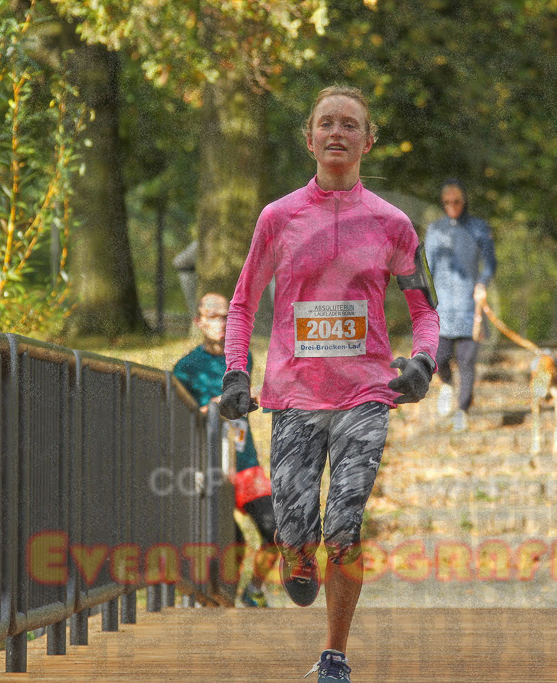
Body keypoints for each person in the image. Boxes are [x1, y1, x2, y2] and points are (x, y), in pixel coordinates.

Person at [220, 85, 439, 682]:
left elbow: (425, 312)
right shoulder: (278, 218)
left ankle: (334, 656)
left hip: (366, 393)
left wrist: (424, 362)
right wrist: (236, 370)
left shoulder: (394, 225)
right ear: (310, 138)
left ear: (368, 141)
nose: (337, 133)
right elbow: (240, 306)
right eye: (326, 124)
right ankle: (296, 551)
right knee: (296, 527)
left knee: (344, 522)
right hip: (294, 394)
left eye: (350, 125)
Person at [172, 292, 278, 608]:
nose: (221, 323)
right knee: (232, 543)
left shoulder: (243, 357)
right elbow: (179, 418)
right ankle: (222, 603)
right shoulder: (186, 368)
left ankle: (254, 590)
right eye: (213, 316)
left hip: (245, 461)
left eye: (227, 317)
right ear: (198, 321)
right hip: (209, 467)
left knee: (275, 532)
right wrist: (211, 410)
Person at [424, 179, 497, 431]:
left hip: (469, 307)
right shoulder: (435, 231)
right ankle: (446, 384)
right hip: (442, 307)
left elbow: (490, 263)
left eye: (456, 201)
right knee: (439, 357)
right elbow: (427, 268)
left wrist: (483, 283)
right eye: (447, 202)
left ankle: (463, 410)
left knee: (466, 362)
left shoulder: (479, 228)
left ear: (464, 201)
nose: (451, 206)